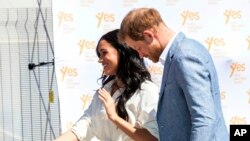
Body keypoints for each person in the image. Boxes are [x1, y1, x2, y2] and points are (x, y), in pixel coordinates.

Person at [118, 8, 229, 141]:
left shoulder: (184, 56)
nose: (141, 55)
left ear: (149, 36)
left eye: (138, 48)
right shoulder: (178, 55)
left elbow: (204, 120)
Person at [54, 29, 159, 141]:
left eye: (104, 53)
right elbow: (83, 127)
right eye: (99, 55)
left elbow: (153, 138)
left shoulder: (146, 90)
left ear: (122, 51)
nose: (100, 60)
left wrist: (114, 117)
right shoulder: (104, 91)